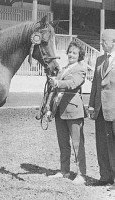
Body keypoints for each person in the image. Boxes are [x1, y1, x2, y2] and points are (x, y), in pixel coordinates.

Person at [48, 41, 87, 185]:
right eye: (70, 52)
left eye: (74, 53)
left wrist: (58, 83)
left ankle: (81, 174)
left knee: (77, 144)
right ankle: (64, 170)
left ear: (79, 55)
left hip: (74, 110)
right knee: (63, 143)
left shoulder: (81, 69)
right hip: (59, 110)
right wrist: (49, 108)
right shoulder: (63, 69)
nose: (71, 54)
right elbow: (54, 91)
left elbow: (72, 83)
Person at [88, 29, 115, 189]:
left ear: (113, 42)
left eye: (104, 41)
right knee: (101, 144)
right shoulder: (99, 60)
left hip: (114, 109)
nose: (101, 43)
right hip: (99, 110)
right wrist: (91, 104)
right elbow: (94, 86)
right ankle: (105, 176)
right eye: (101, 41)